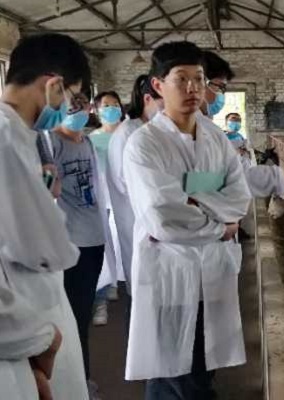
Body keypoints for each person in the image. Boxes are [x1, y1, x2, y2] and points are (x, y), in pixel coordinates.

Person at [123, 41, 251, 400]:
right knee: (171, 372)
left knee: (202, 366)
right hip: (170, 273)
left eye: (199, 78)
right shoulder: (144, 145)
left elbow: (239, 197)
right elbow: (163, 218)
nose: (193, 87)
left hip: (213, 270)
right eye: (181, 78)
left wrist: (192, 199)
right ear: (158, 85)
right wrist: (219, 226)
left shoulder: (216, 139)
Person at [0, 33, 90, 400]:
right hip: (20, 325)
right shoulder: (5, 139)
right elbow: (44, 247)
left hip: (30, 317)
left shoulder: (18, 137)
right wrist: (41, 340)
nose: (67, 108)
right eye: (69, 97)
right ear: (53, 85)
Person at [45, 91, 107, 400]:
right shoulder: (51, 142)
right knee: (73, 318)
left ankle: (83, 379)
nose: (77, 110)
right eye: (71, 106)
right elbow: (48, 190)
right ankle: (77, 385)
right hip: (71, 242)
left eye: (82, 105)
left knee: (81, 315)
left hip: (94, 237)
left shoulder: (86, 142)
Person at [201, 51, 284, 198]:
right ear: (200, 83)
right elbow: (203, 183)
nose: (221, 95)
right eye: (220, 87)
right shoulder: (190, 133)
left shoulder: (207, 128)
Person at [107, 75, 162, 304]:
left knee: (157, 283)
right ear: (147, 99)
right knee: (141, 281)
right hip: (135, 214)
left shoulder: (154, 129)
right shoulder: (127, 131)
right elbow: (123, 179)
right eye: (163, 102)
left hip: (156, 214)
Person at [90, 91, 126, 325]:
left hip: (125, 198)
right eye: (106, 105)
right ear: (97, 110)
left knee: (125, 246)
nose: (111, 109)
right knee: (104, 250)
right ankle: (101, 297)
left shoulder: (130, 134)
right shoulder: (92, 139)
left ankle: (120, 285)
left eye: (115, 104)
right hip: (101, 199)